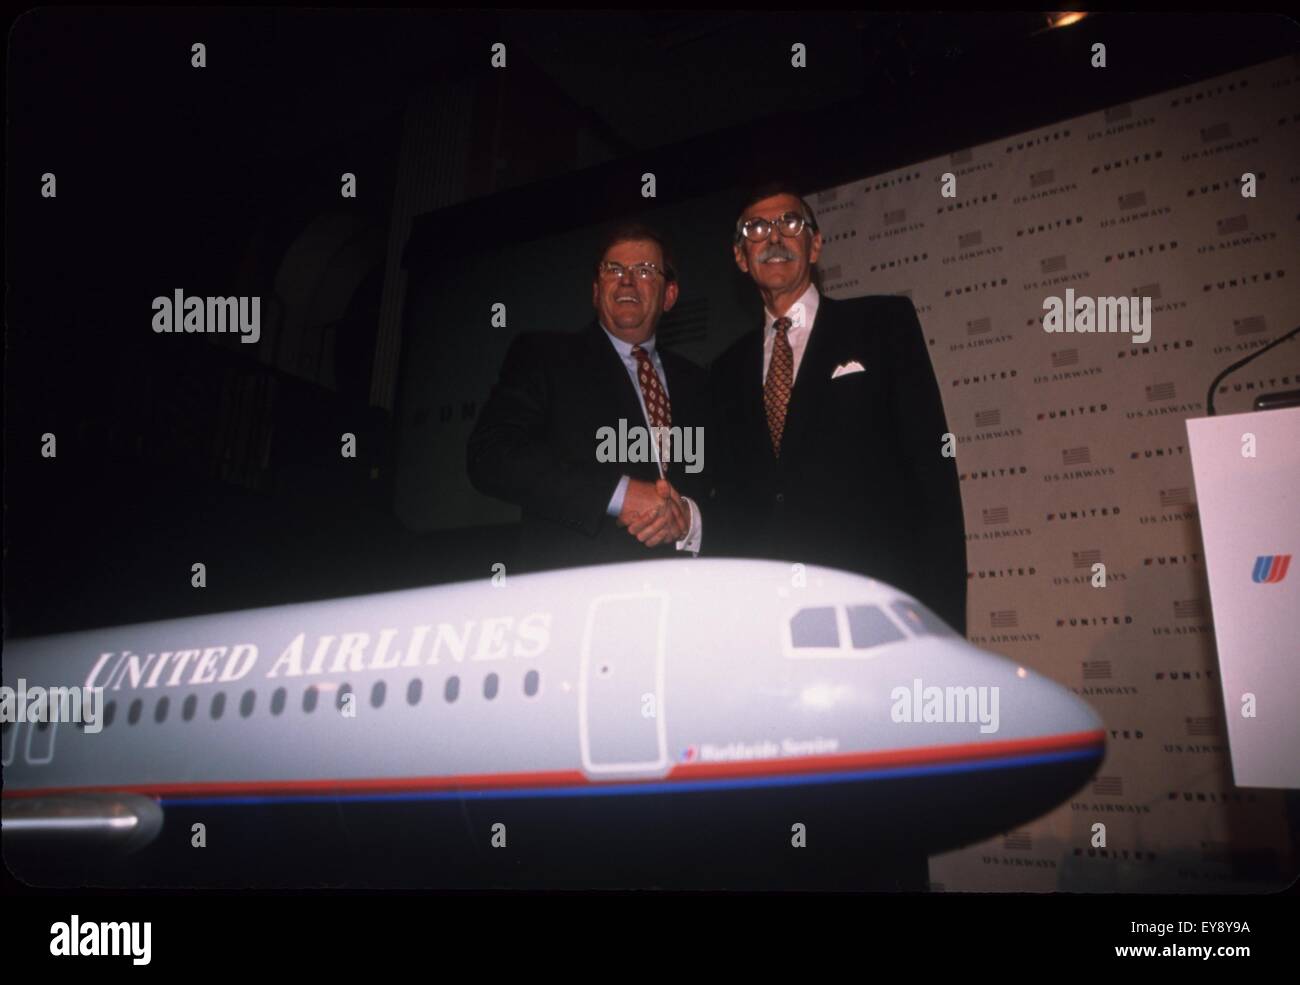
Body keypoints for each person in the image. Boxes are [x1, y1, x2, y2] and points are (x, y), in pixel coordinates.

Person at [709, 183, 967, 635]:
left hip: (876, 610)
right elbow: (729, 504)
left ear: (815, 245)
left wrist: (942, 626)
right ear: (739, 257)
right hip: (767, 623)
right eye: (755, 228)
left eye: (790, 223)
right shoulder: (724, 370)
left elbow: (932, 474)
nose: (773, 237)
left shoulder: (883, 325)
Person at [467, 224, 707, 572]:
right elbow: (490, 455)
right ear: (596, 291)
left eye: (644, 270)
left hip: (686, 594)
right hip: (575, 596)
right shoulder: (544, 356)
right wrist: (619, 495)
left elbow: (726, 484)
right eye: (614, 269)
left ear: (669, 295)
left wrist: (689, 520)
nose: (627, 280)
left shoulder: (699, 381)